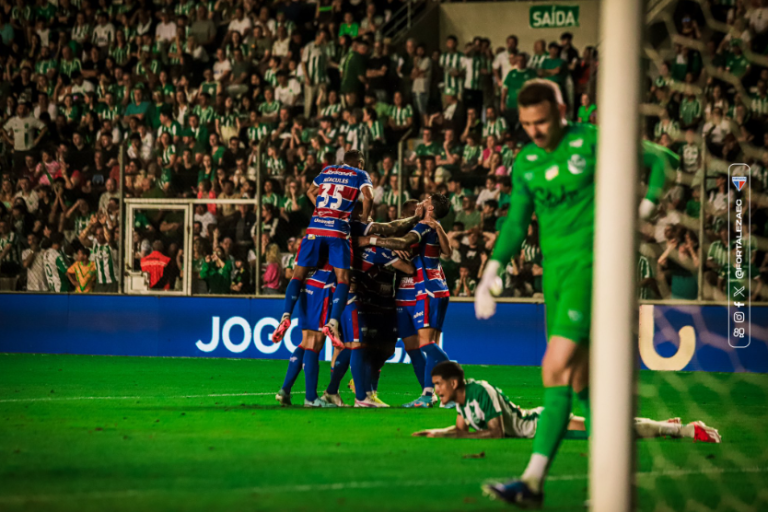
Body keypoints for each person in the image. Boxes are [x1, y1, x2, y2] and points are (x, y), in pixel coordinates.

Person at [474, 80, 678, 507]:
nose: (535, 130)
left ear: (562, 109)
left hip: (594, 268)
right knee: (582, 386)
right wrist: (491, 270)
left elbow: (663, 159)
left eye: (543, 121)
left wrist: (643, 208)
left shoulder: (594, 140)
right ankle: (611, 480)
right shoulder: (526, 161)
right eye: (527, 123)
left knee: (555, 366)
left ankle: (532, 480)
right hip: (556, 278)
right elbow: (515, 223)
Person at [413, 361, 721, 443]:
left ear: (454, 383)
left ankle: (686, 431)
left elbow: (495, 433)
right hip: (537, 422)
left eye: (438, 384)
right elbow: (459, 429)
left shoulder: (482, 391)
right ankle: (659, 426)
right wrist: (435, 434)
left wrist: (460, 437)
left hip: (543, 425)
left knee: (608, 435)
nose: (436, 390)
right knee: (604, 429)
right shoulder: (461, 403)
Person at [359, 193, 453, 408]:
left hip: (424, 290)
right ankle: (427, 393)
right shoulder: (419, 228)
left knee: (427, 344)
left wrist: (372, 241)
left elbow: (408, 244)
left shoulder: (424, 227)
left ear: (428, 209)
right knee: (411, 348)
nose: (420, 203)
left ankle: (443, 385)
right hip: (405, 293)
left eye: (424, 201)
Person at [272, 150, 373, 348]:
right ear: (360, 163)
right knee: (343, 279)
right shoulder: (360, 174)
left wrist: (321, 209)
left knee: (297, 276)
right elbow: (368, 197)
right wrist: (365, 217)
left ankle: (285, 316)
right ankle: (333, 323)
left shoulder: (327, 170)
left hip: (315, 226)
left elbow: (310, 192)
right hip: (337, 229)